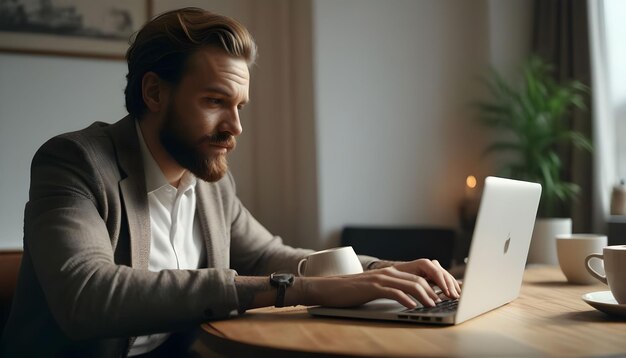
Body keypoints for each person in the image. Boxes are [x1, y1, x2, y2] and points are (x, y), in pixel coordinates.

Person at [0, 7, 461, 357]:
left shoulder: (211, 181)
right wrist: (295, 290)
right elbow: (88, 295)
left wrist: (378, 269)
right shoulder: (74, 162)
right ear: (154, 92)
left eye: (240, 106)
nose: (235, 127)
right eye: (215, 101)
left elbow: (268, 255)